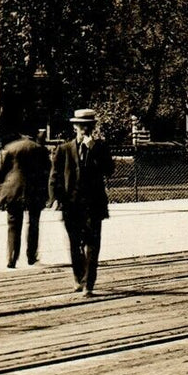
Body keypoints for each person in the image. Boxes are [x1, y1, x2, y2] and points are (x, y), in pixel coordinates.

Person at [49, 108, 113, 296]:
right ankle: (78, 277)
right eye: (81, 126)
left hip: (94, 205)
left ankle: (88, 284)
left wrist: (93, 149)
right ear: (74, 127)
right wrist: (55, 199)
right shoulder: (64, 149)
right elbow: (55, 177)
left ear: (93, 128)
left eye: (88, 126)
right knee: (74, 244)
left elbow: (109, 170)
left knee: (92, 245)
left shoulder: (100, 148)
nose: (84, 129)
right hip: (71, 204)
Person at [0, 130, 52, 268]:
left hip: (14, 190)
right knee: (33, 224)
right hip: (34, 190)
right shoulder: (40, 149)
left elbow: (1, 171)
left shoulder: (10, 148)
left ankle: (12, 258)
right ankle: (31, 256)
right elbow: (47, 171)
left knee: (13, 224)